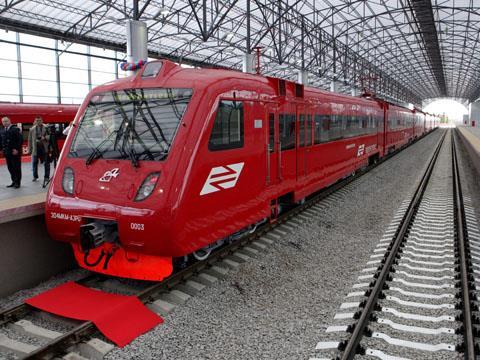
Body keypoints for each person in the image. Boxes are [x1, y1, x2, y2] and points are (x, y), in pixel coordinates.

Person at [0, 116, 23, 188]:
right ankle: (13, 181)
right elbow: (1, 141)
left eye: (6, 121)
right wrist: (1, 149)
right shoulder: (2, 130)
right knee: (10, 168)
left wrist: (16, 149)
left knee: (16, 167)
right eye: (3, 121)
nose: (5, 123)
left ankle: (18, 182)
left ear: (10, 121)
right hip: (7, 152)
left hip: (14, 152)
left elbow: (20, 140)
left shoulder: (15, 129)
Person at [28, 116, 50, 185]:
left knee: (46, 163)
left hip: (44, 148)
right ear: (35, 121)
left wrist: (45, 137)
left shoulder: (46, 127)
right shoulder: (32, 129)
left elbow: (50, 136)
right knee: (34, 163)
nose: (38, 122)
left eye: (40, 120)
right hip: (36, 148)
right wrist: (30, 149)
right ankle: (35, 176)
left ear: (42, 120)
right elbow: (30, 140)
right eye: (37, 120)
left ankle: (46, 177)